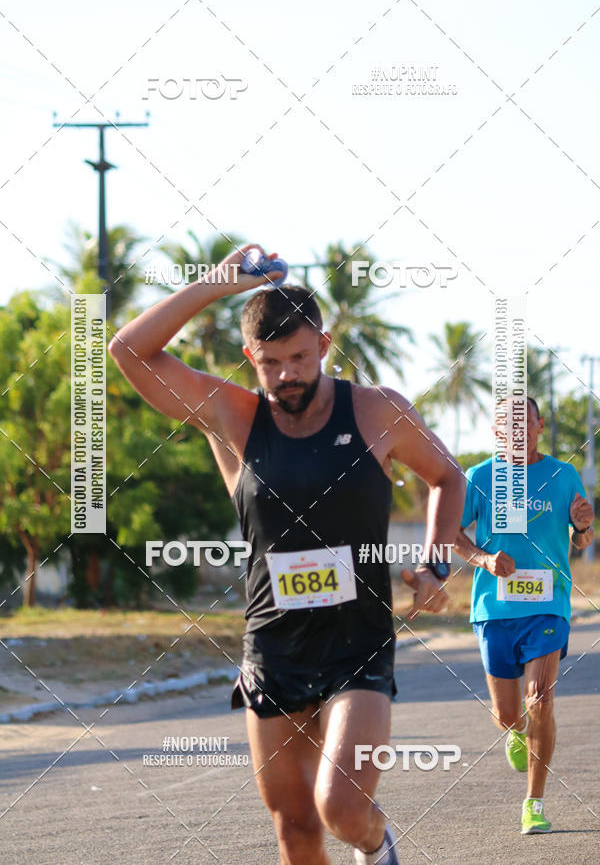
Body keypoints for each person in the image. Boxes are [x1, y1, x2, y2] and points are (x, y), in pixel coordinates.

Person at [109, 244, 466, 864]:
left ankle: (377, 848)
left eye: (300, 357)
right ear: (251, 357)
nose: (286, 375)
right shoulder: (234, 414)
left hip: (358, 640)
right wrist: (218, 285)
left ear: (323, 346)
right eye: (270, 362)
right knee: (296, 831)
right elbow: (127, 351)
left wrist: (436, 565)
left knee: (342, 808)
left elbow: (448, 476)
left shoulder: (376, 410)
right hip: (273, 643)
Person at [454, 396, 594, 835]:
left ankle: (534, 802)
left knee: (541, 699)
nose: (518, 431)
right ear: (496, 432)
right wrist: (483, 559)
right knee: (508, 713)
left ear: (539, 425)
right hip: (494, 608)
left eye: (525, 423)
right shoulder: (479, 477)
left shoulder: (563, 475)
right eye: (507, 426)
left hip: (548, 604)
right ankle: (515, 731)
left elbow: (581, 543)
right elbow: (451, 535)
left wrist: (586, 527)